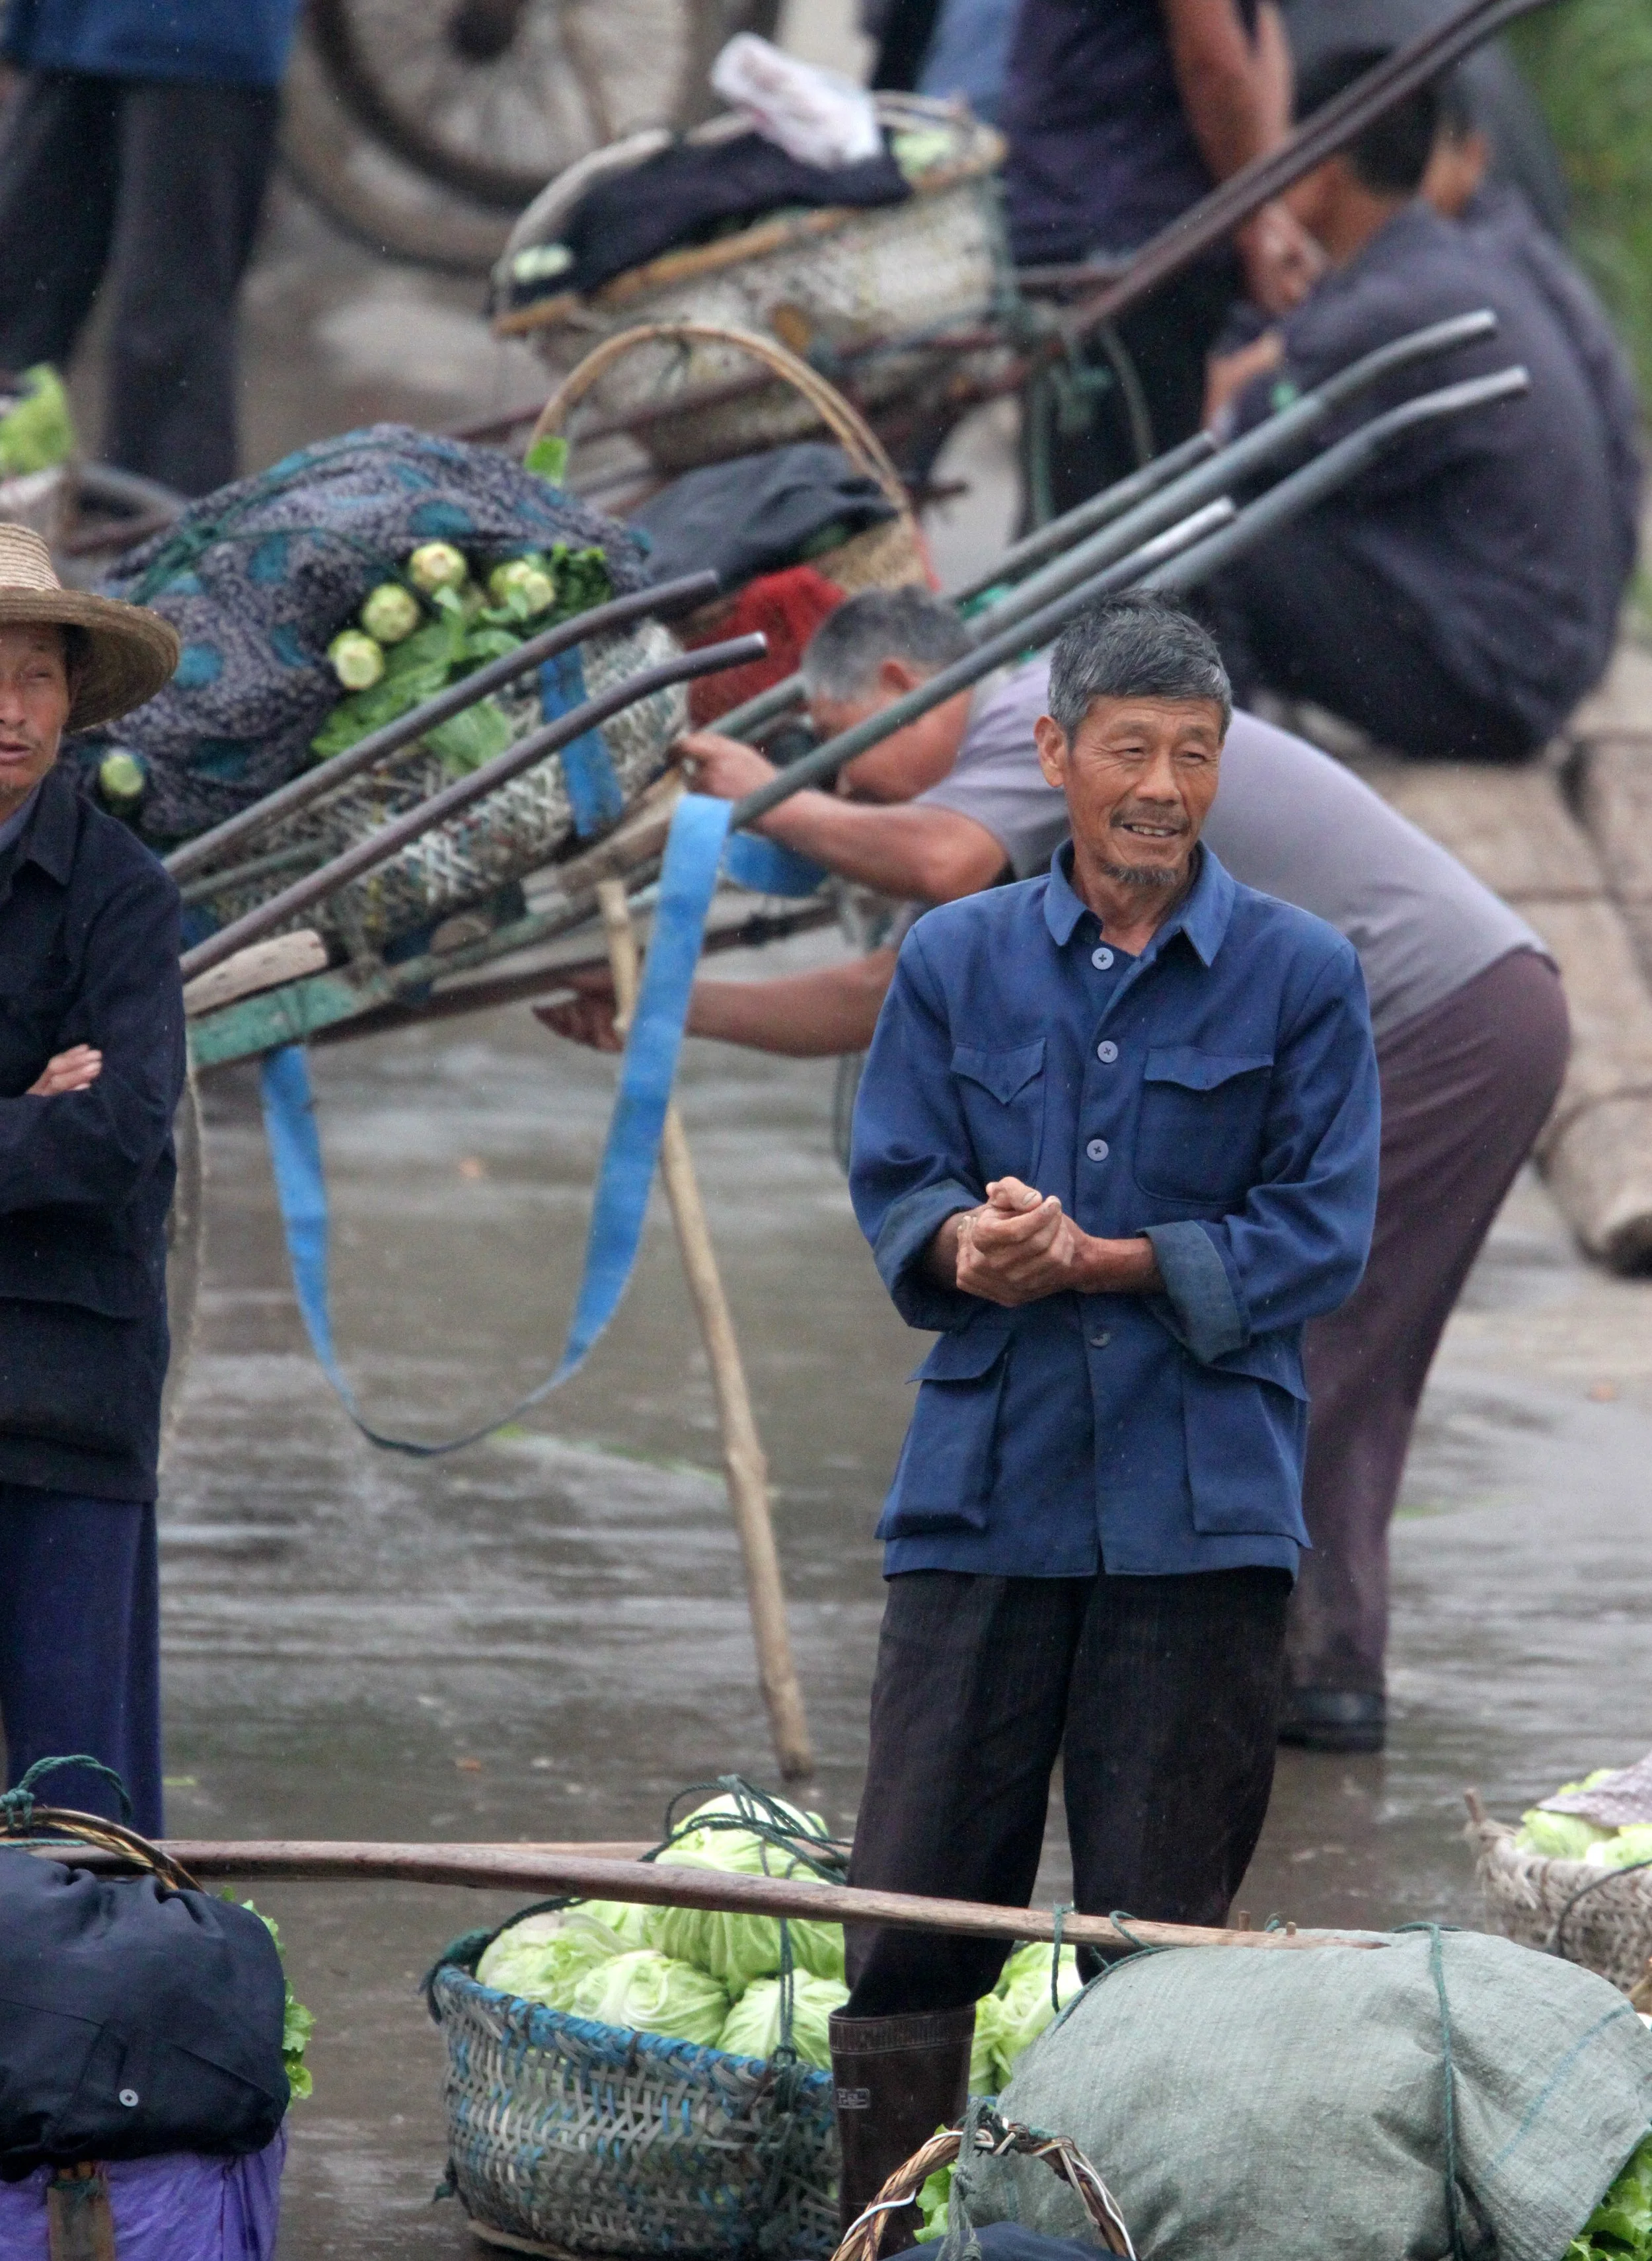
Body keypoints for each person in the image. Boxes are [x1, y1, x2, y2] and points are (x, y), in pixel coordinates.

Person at [539, 585, 1572, 1749]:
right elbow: (901, 998)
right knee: (1323, 1352)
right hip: (1481, 1006)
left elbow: (936, 859)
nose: (856, 792)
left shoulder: (1029, 722)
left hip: (1448, 1015)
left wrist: (770, 811)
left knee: (1295, 1340)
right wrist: (664, 1010)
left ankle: (1283, 1680)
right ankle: (1303, 1674)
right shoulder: (1034, 817)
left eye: (843, 757)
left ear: (895, 690)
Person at [829, 591, 1380, 2232]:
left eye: (1192, 755)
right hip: (981, 1497)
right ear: (1055, 753)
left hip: (1198, 1518)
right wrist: (970, 1245)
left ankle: (1115, 2222)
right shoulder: (954, 955)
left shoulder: (1302, 973)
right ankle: (892, 2224)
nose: (1160, 785)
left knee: (1154, 1928)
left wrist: (1107, 1258)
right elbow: (897, 1183)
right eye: (1126, 748)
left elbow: (1321, 1231)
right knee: (914, 1899)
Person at [1199, 49, 1627, 763]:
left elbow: (1228, 434)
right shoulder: (1442, 263)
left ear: (1321, 174)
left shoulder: (1388, 302)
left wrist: (1252, 365)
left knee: (1213, 534)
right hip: (1540, 659)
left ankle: (1227, 786)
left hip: (1495, 685)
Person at [0, 521, 182, 1835]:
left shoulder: (122, 894)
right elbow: (66, 1136)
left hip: (69, 1389)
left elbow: (119, 1130)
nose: (11, 711)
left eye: (39, 677)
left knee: (82, 1808)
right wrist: (25, 1119)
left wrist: (58, 1120)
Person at [1000, 0, 1320, 515]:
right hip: (1125, 244)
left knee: (1108, 511)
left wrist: (1266, 207)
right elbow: (1214, 61)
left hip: (1114, 229)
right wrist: (1257, 218)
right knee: (1125, 526)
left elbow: (1255, 33)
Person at [0, 0, 302, 496]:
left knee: (167, 336)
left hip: (201, 43)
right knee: (16, 299)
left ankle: (162, 549)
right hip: (64, 34)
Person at [1423, 72, 1642, 605]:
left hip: (1540, 603)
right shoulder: (1518, 245)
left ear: (1472, 156)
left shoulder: (1464, 269)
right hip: (1579, 592)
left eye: (1414, 159)